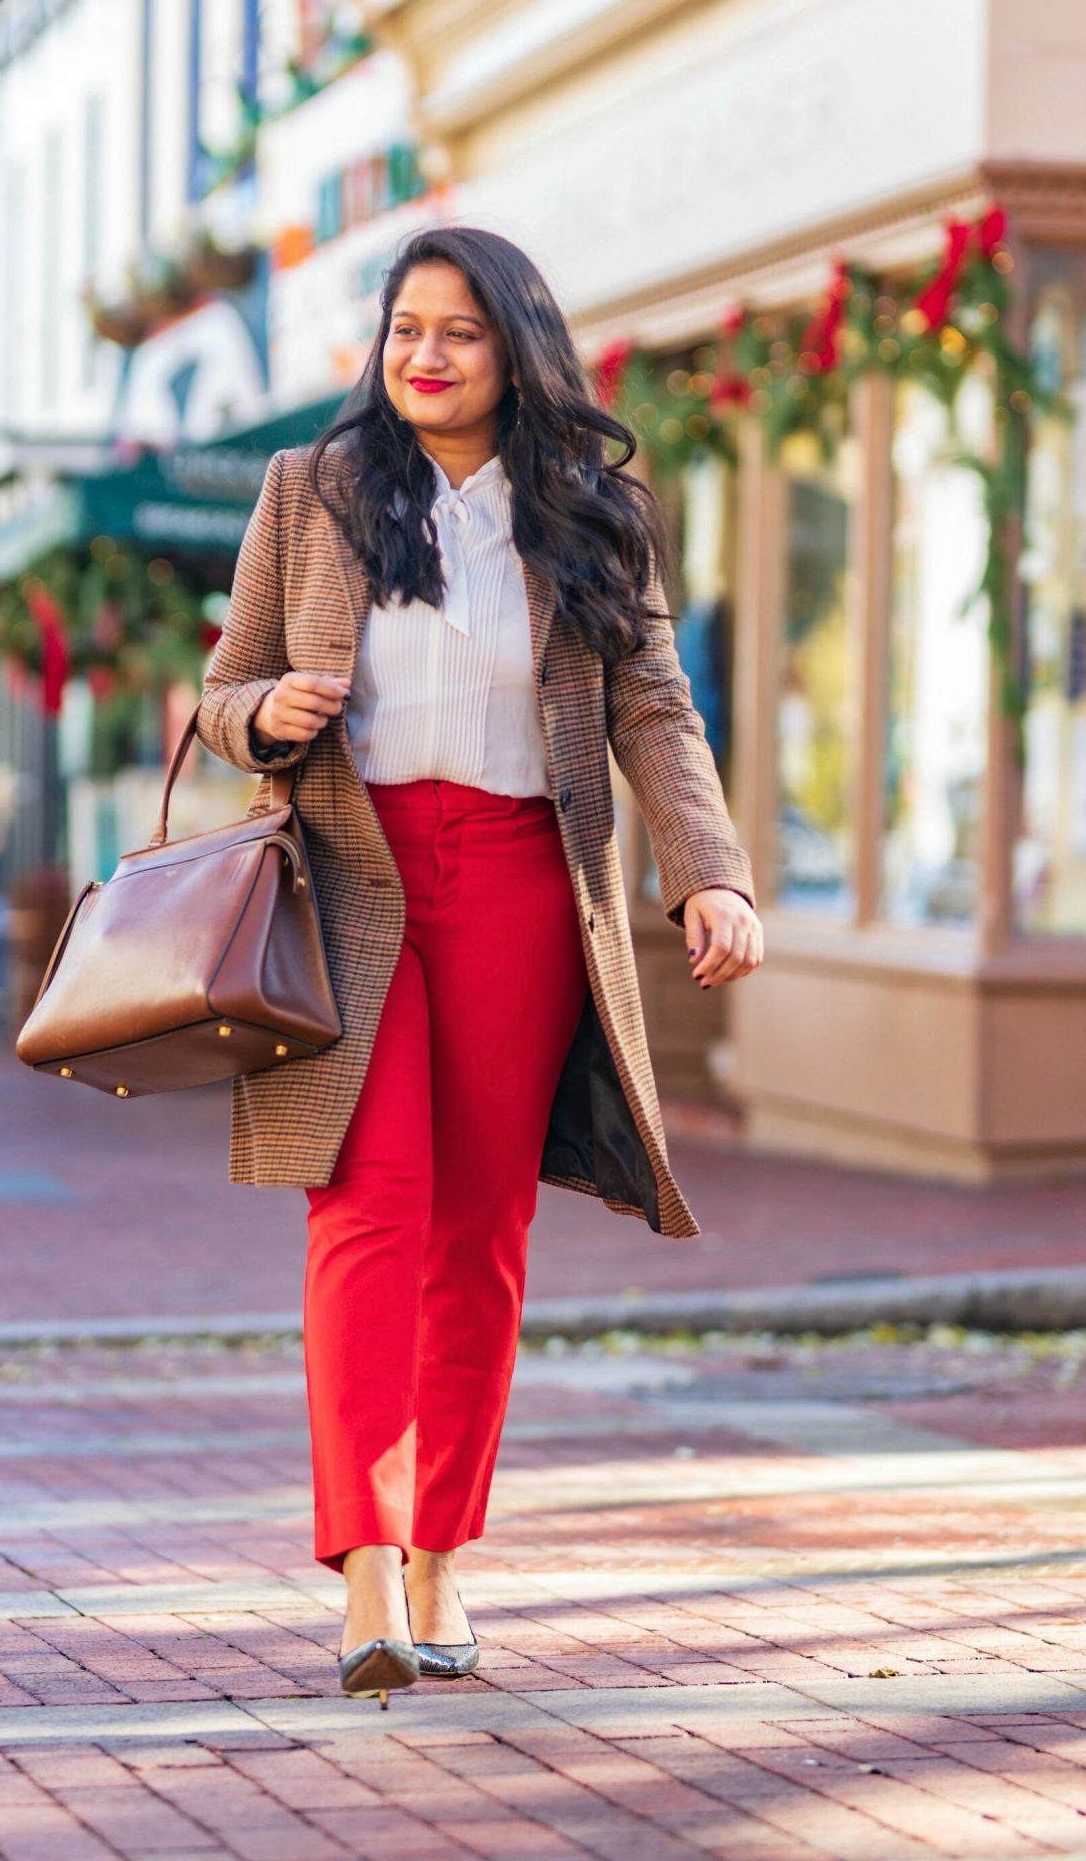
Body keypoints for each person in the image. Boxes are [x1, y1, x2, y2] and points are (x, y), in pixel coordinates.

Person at [198, 226, 762, 1705]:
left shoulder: (589, 507)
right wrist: (266, 716)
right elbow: (219, 689)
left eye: (457, 332)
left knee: (479, 1234)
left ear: (515, 348)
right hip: (354, 876)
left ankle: (443, 1551)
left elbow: (653, 706)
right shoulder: (309, 493)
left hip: (523, 881)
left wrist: (708, 874)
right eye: (402, 332)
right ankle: (367, 1573)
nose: (425, 357)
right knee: (365, 1207)